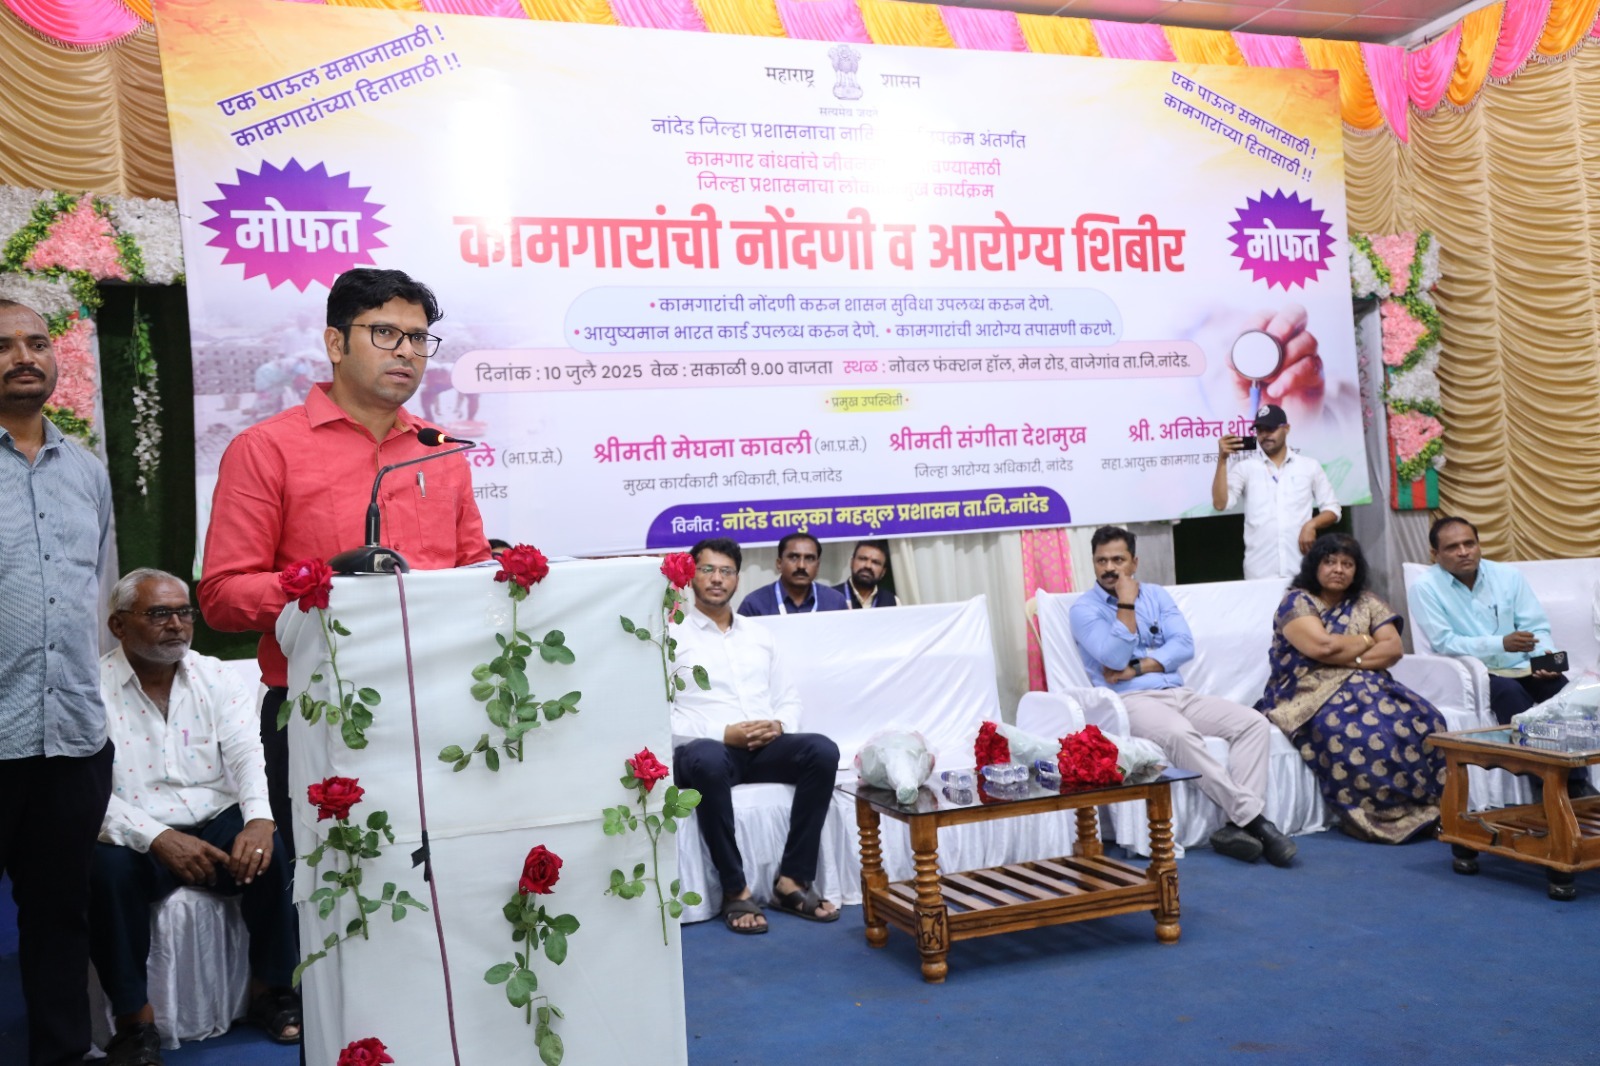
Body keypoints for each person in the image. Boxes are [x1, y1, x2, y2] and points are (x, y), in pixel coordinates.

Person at [198, 268, 491, 847]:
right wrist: (324, 586)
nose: (405, 351)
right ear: (335, 343)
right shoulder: (266, 449)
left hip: (440, 705)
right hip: (319, 711)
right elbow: (222, 596)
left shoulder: (438, 452)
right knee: (334, 888)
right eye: (384, 333)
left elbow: (474, 574)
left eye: (418, 338)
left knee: (445, 876)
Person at [91, 570, 300, 1064]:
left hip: (214, 817)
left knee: (273, 852)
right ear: (118, 625)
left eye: (184, 612)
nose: (176, 625)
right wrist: (158, 837)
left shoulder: (215, 676)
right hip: (135, 829)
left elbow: (247, 754)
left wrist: (259, 820)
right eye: (159, 614)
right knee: (104, 873)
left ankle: (271, 990)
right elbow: (88, 792)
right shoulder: (91, 688)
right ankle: (134, 1023)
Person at [0, 299, 116, 1066]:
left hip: (71, 742)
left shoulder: (87, 472)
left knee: (59, 921)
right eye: (4, 345)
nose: (25, 356)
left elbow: (94, 592)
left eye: (38, 343)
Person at [1069, 525, 1295, 866]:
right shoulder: (1084, 609)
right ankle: (1256, 821)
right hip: (1130, 701)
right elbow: (1113, 658)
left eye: (1118, 559)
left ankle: (1236, 827)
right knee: (1180, 734)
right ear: (1093, 563)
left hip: (1177, 691)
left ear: (1134, 562)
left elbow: (1184, 645)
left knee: (1252, 723)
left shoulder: (1157, 596)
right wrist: (1126, 603)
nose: (1110, 568)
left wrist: (1137, 667)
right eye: (1102, 561)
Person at [672, 537, 841, 933]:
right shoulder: (671, 637)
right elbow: (660, 715)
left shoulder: (759, 635)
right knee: (708, 759)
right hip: (708, 751)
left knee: (822, 751)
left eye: (726, 571)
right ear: (691, 576)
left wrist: (778, 725)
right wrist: (722, 732)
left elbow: (788, 699)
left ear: (737, 578)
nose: (717, 579)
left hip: (763, 748)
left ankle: (792, 881)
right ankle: (736, 890)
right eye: (707, 569)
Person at [1255, 535, 1447, 843]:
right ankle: (1380, 816)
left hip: (1368, 684)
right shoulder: (1297, 601)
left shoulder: (1368, 602)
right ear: (1314, 566)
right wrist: (1367, 640)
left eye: (1347, 564)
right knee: (1361, 733)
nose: (1338, 569)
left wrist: (1351, 660)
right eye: (1329, 562)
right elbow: (1322, 647)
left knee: (1428, 719)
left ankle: (1431, 807)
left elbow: (1393, 648)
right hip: (1305, 693)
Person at [1411, 516, 1567, 724]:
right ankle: (1526, 746)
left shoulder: (1508, 576)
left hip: (1521, 665)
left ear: (1479, 545)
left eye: (1469, 544)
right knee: (1510, 693)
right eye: (1452, 547)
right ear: (1435, 554)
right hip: (1477, 673)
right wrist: (1501, 643)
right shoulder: (1425, 587)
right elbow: (1444, 642)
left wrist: (1545, 660)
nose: (1463, 552)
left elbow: (1535, 626)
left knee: (1564, 690)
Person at [1212, 402, 1342, 580]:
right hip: (1259, 572)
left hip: (1301, 569)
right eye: (1260, 430)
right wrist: (1222, 460)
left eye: (1271, 429)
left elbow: (1333, 509)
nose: (1265, 435)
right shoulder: (1245, 467)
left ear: (1286, 429)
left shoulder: (1309, 466)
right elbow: (1221, 504)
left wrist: (1311, 525)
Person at [736, 532, 848, 616]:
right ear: (779, 564)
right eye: (794, 557)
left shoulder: (835, 601)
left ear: (817, 566)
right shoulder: (754, 604)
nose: (801, 566)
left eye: (809, 558)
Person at [833, 540, 899, 609]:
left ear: (883, 572)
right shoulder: (829, 597)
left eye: (875, 562)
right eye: (863, 559)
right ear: (851, 562)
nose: (868, 566)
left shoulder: (893, 602)